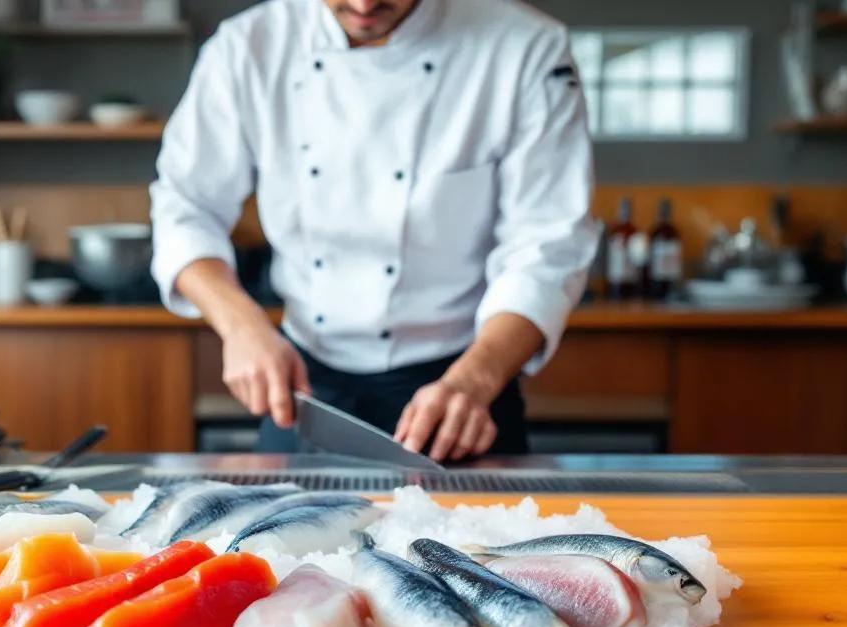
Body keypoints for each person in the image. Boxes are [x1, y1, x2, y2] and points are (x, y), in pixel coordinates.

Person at [150, 0, 598, 461]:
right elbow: (185, 207)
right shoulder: (248, 46)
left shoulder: (523, 47)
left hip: (463, 388)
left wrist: (476, 378)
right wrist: (240, 325)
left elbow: (549, 241)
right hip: (303, 386)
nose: (364, 5)